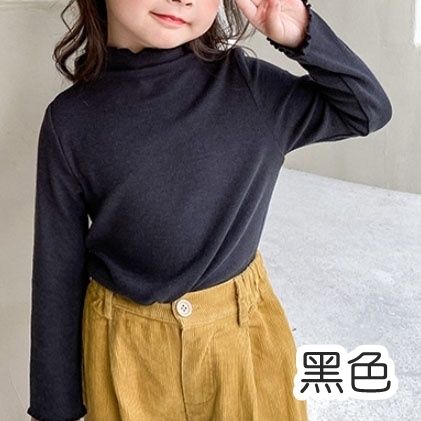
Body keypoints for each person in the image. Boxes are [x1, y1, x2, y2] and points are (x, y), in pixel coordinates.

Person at [27, 0, 392, 420]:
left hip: (244, 349)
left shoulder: (250, 89)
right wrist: (55, 409)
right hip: (126, 359)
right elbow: (57, 269)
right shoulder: (70, 121)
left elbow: (366, 110)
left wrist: (300, 32)